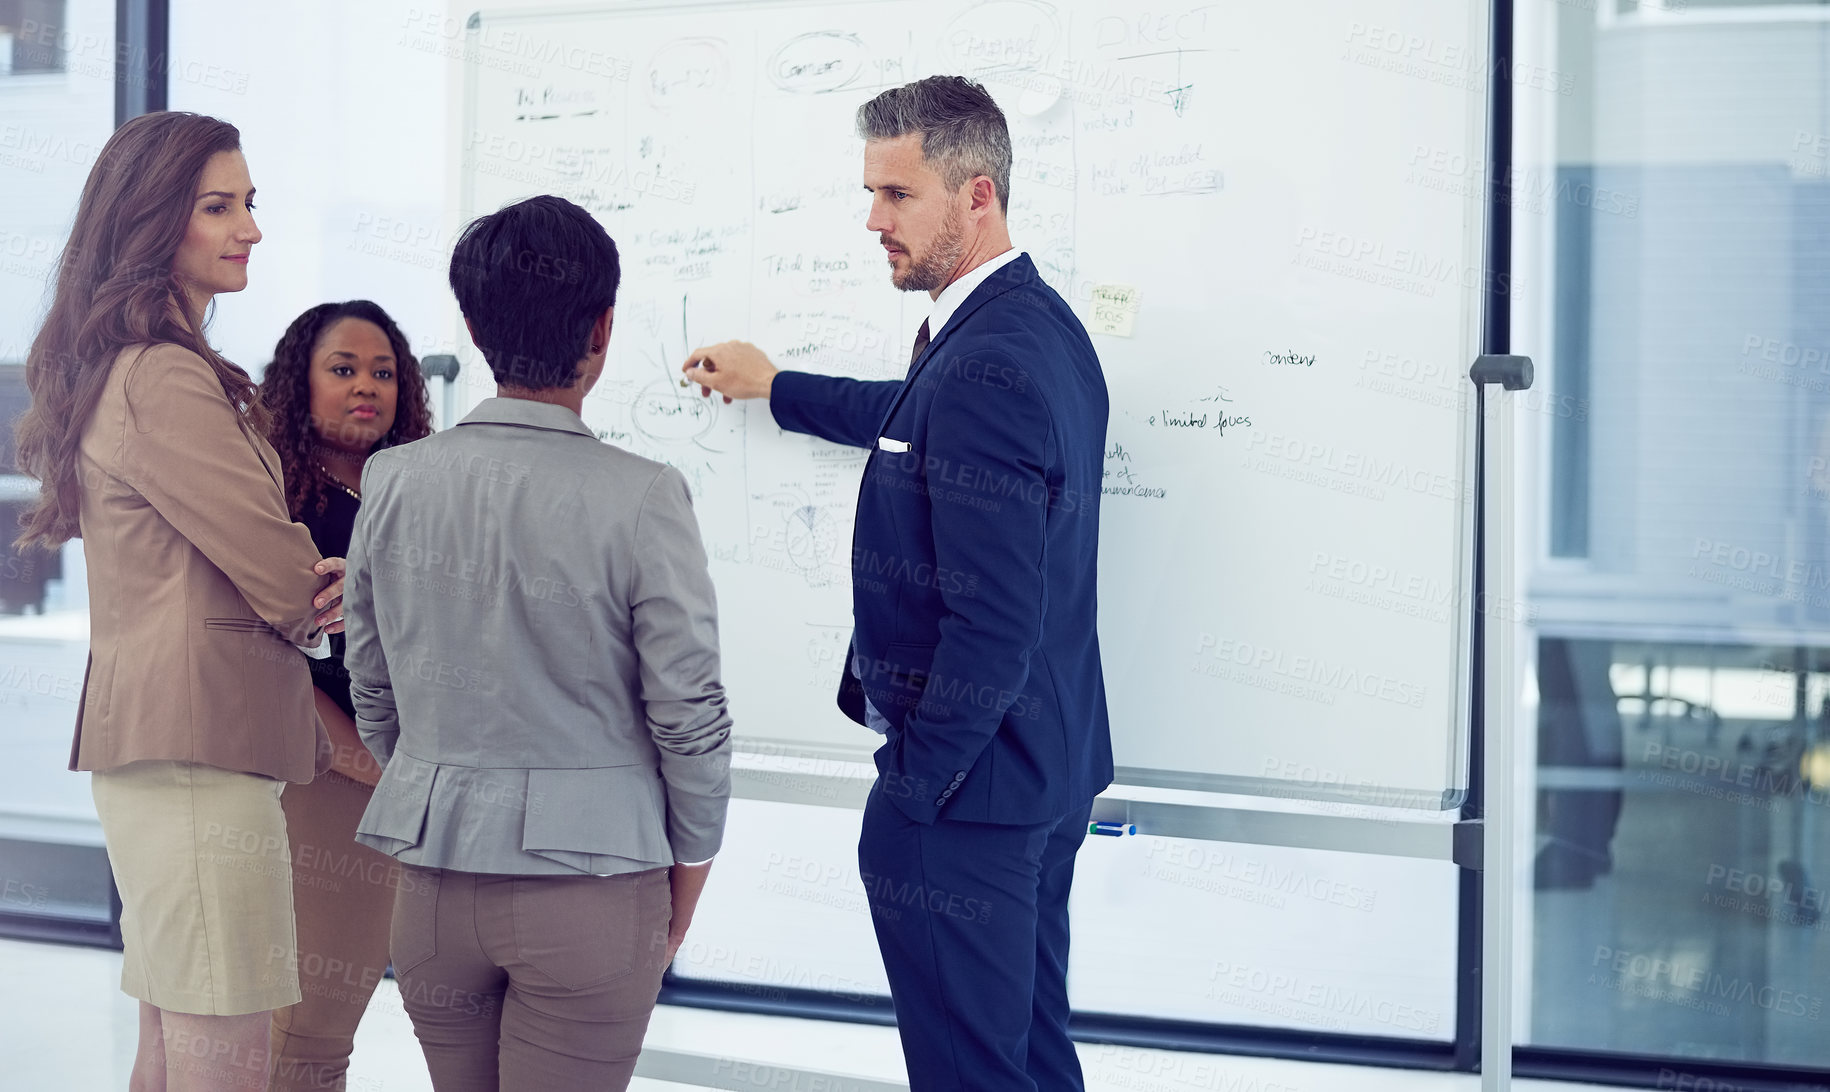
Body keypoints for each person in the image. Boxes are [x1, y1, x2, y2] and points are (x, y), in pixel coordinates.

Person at [683, 76, 1111, 1091]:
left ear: (976, 197)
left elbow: (993, 618)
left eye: (897, 195)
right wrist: (778, 387)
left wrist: (917, 786)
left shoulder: (984, 365)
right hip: (1039, 773)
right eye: (870, 192)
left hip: (968, 797)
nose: (874, 220)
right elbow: (917, 415)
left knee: (969, 1074)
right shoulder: (1034, 330)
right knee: (1029, 1062)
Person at [343, 194, 732, 1091]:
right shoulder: (643, 495)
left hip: (434, 883)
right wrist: (692, 860)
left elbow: (373, 682)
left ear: (475, 327)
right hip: (593, 885)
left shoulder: (394, 479)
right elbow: (689, 709)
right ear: (602, 328)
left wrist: (442, 781)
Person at [10, 110, 344, 1091]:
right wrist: (309, 578)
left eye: (249, 203)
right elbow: (283, 578)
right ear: (156, 222)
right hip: (198, 756)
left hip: (172, 753)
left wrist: (291, 576)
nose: (249, 227)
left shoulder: (143, 367)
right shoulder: (163, 377)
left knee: (173, 1053)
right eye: (218, 206)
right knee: (225, 1058)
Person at [256, 300, 435, 1089]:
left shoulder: (417, 493)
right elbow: (262, 656)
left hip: (407, 780)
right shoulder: (277, 497)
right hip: (323, 777)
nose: (367, 386)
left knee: (337, 1018)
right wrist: (356, 753)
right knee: (309, 1030)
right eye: (343, 369)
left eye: (384, 372)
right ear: (301, 382)